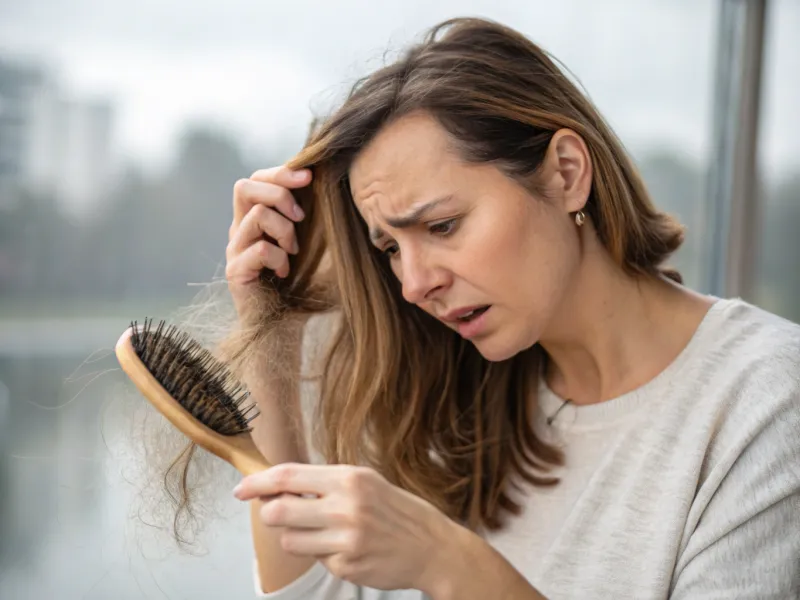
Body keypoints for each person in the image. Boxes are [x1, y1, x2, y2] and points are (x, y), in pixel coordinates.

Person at [222, 17, 800, 600]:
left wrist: (449, 563)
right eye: (392, 248)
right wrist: (268, 329)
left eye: (443, 225)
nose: (414, 285)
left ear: (566, 174)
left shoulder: (767, 400)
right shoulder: (465, 404)